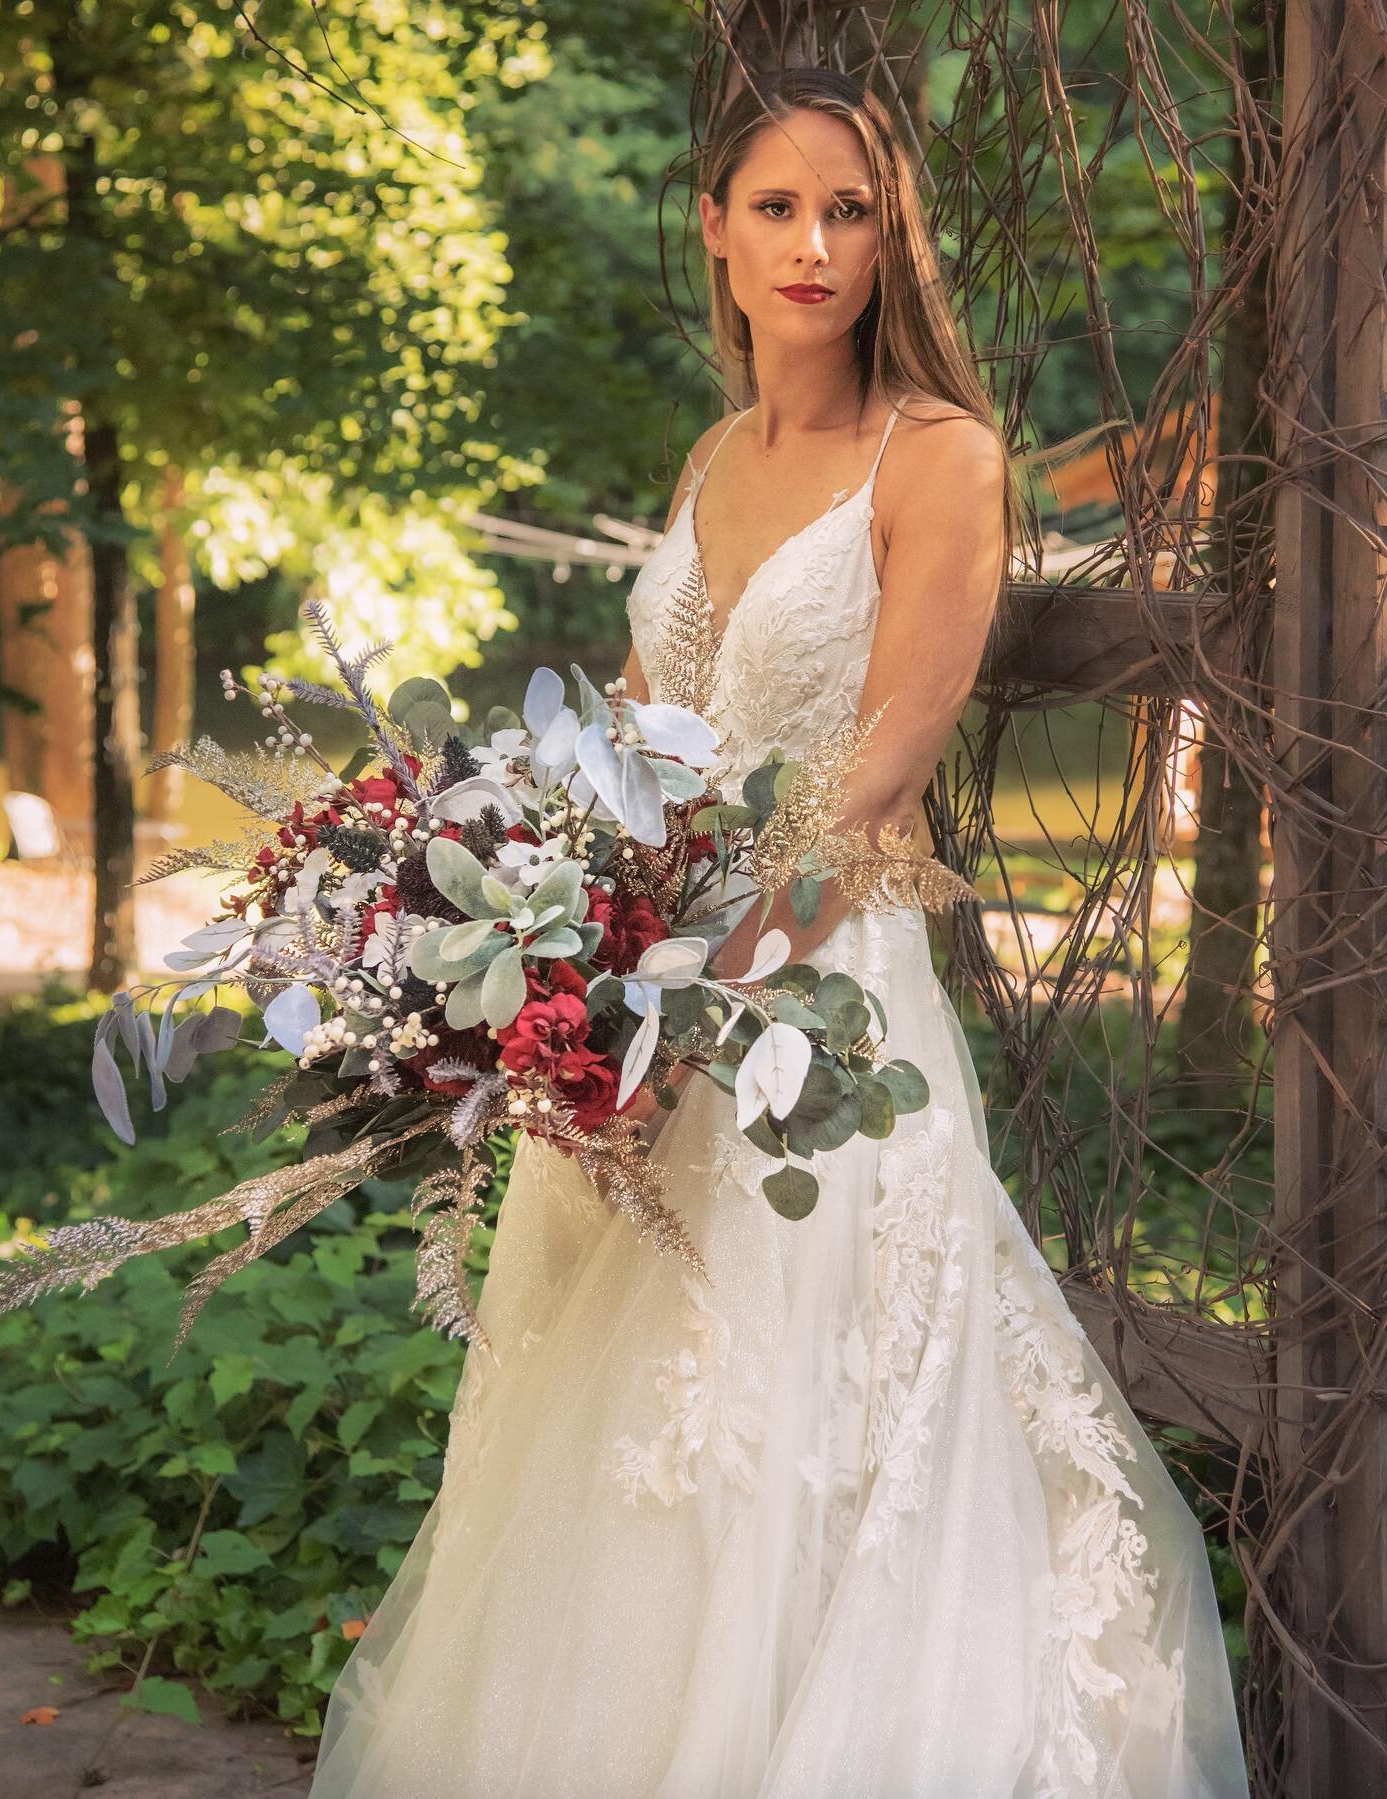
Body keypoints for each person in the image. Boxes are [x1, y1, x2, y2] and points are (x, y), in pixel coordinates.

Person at [310, 66, 1250, 1798]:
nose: (814, 245)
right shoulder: (717, 454)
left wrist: (695, 987)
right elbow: (641, 745)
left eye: (852, 211)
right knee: (619, 1415)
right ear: (718, 237)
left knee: (807, 1404)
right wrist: (549, 945)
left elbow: (888, 759)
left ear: (889, 243)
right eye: (777, 209)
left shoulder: (943, 456)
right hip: (646, 983)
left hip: (819, 1002)